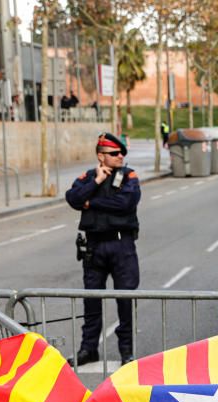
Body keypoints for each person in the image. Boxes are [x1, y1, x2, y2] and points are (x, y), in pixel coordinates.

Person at [65, 132, 141, 366]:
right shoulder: (88, 177)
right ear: (101, 156)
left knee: (124, 300)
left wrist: (92, 203)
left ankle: (126, 351)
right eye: (114, 153)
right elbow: (73, 198)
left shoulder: (129, 176)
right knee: (92, 301)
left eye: (121, 153)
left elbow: (125, 203)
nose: (120, 156)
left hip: (121, 245)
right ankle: (88, 349)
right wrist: (95, 183)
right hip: (94, 246)